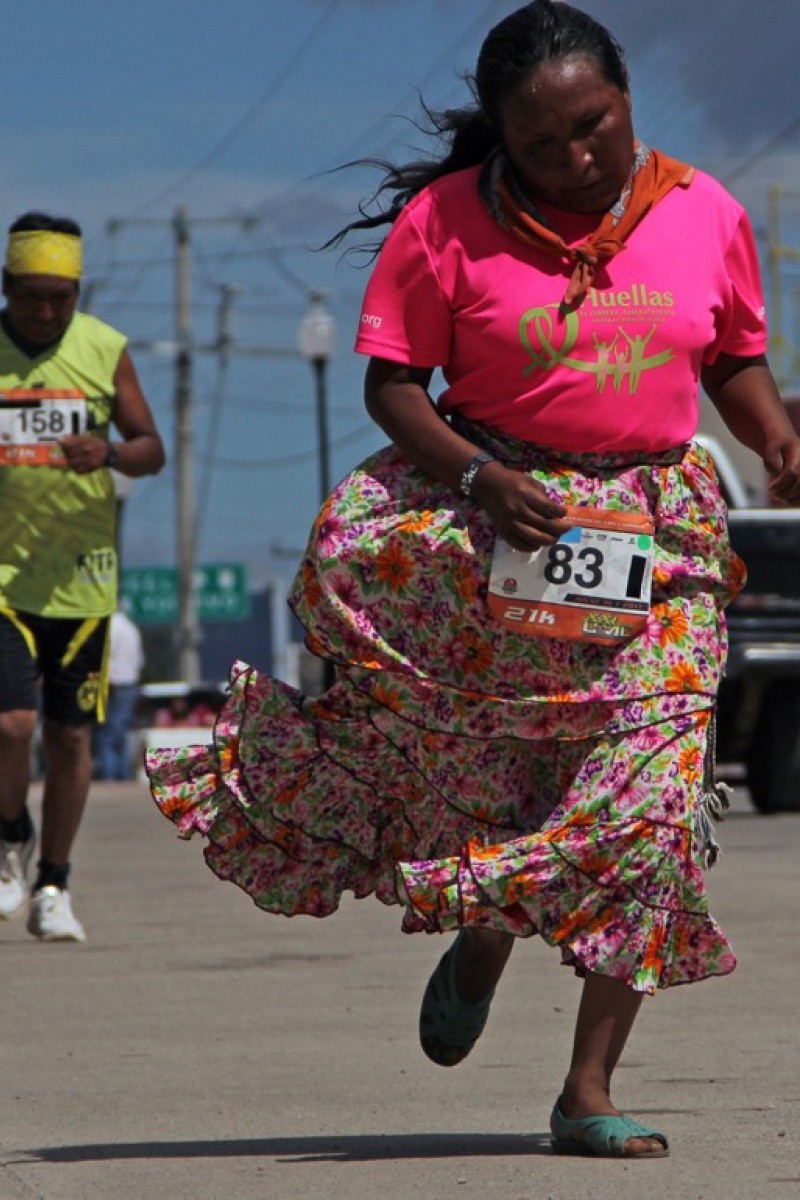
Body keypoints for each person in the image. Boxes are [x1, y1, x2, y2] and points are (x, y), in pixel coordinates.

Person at [146, 1, 800, 1158]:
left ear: (626, 96)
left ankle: (585, 1090)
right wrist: (480, 475)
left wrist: (771, 435)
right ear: (499, 137)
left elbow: (733, 352)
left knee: (653, 805)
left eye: (591, 127)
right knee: (481, 773)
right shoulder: (445, 222)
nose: (573, 158)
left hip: (652, 531)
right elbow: (393, 385)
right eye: (540, 144)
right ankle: (484, 924)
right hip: (495, 519)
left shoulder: (704, 212)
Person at [0, 211, 165, 942]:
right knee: (11, 724)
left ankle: (53, 884)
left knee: (70, 740)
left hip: (82, 580)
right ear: (6, 290)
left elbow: (150, 448)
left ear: (77, 293)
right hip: (4, 575)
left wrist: (109, 453)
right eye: (30, 296)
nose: (44, 311)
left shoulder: (105, 351)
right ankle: (10, 839)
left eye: (59, 298)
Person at [92, 606, 145, 781]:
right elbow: (139, 660)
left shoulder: (110, 627)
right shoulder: (132, 628)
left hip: (112, 682)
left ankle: (109, 775)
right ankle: (123, 774)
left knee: (106, 733)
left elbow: (103, 656)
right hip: (129, 682)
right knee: (121, 731)